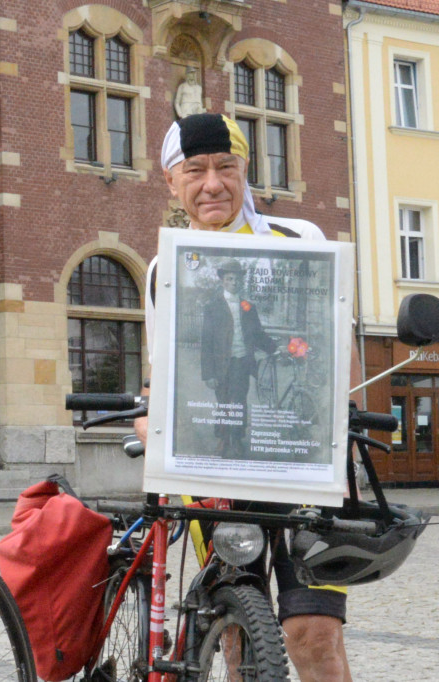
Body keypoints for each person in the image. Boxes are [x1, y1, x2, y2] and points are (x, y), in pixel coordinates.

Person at [136, 112, 355, 682]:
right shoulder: (167, 267)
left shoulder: (299, 241)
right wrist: (152, 421)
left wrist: (340, 428)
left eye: (226, 167)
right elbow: (166, 374)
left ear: (245, 171)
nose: (213, 183)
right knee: (235, 635)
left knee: (314, 636)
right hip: (218, 469)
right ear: (171, 181)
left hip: (303, 469)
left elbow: (336, 352)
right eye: (197, 170)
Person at [200, 258, 276, 458]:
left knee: (239, 402)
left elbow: (257, 334)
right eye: (230, 279)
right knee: (224, 403)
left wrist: (274, 348)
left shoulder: (248, 307)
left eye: (237, 279)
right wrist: (208, 374)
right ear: (223, 281)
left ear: (241, 281)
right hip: (221, 365)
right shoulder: (213, 306)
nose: (234, 282)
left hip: (242, 363)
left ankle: (237, 439)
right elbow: (206, 342)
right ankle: (223, 440)